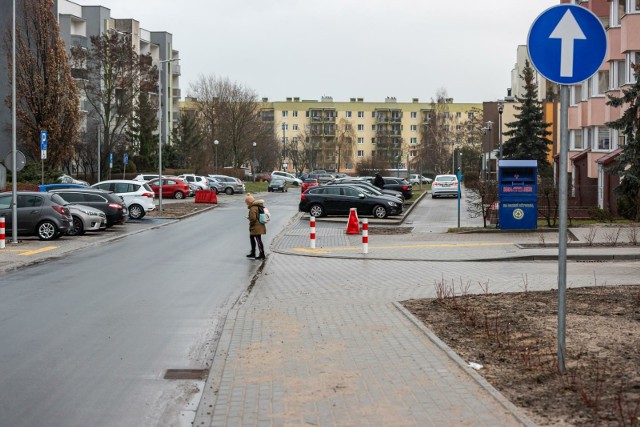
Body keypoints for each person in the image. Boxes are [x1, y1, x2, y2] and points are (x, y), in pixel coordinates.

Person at [245, 193, 266, 260]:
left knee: (258, 239)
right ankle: (253, 252)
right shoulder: (257, 206)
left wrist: (250, 222)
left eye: (247, 202)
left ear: (249, 202)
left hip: (256, 226)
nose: (246, 204)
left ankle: (262, 254)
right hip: (259, 225)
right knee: (252, 238)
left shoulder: (252, 208)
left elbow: (253, 218)